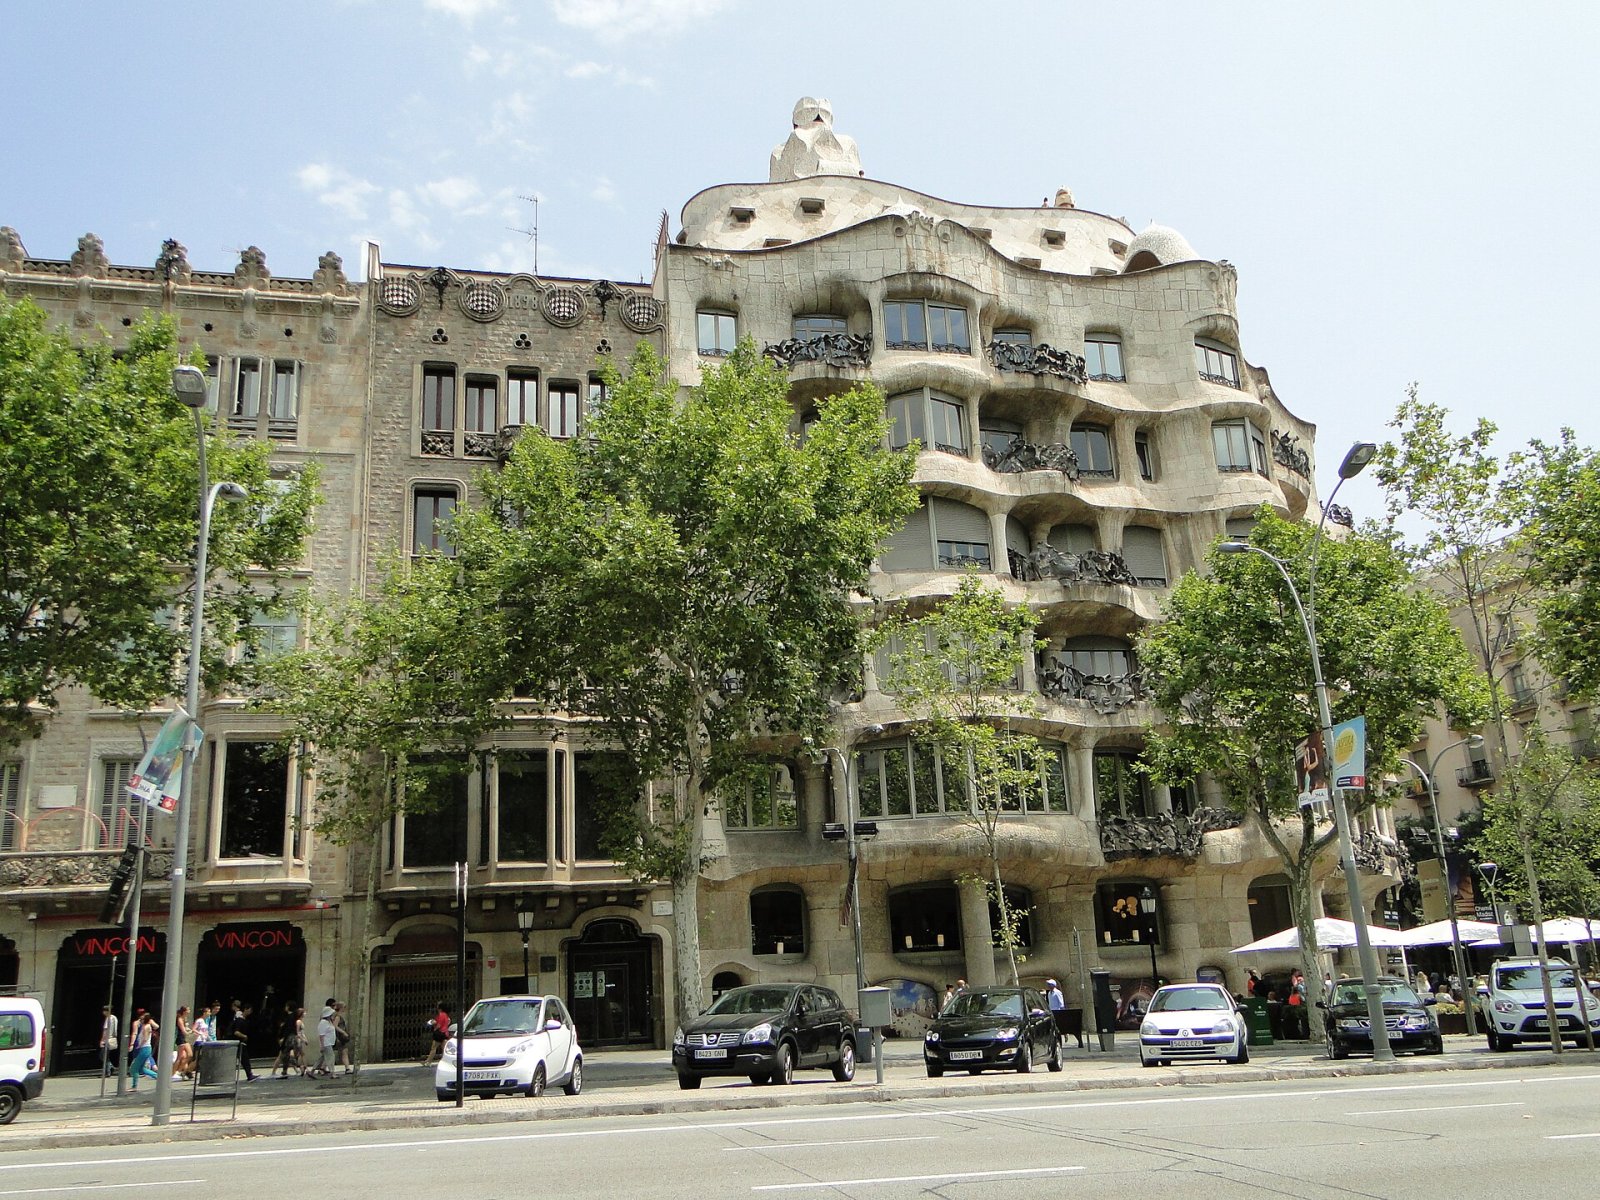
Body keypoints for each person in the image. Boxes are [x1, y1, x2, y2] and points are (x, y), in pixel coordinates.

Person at [127, 1012, 160, 1088]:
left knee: (134, 1068)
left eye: (142, 1019)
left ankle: (134, 1087)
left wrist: (139, 1045)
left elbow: (145, 1038)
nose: (140, 1020)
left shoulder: (146, 1027)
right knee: (141, 1069)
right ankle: (158, 1077)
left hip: (144, 1048)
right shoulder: (145, 1026)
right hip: (145, 1048)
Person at [231, 1002, 257, 1081]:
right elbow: (236, 1032)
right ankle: (249, 1075)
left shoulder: (245, 1020)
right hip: (239, 1043)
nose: (250, 1012)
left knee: (244, 1059)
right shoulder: (239, 1020)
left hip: (242, 1043)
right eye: (249, 1010)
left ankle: (249, 1074)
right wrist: (244, 1036)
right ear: (245, 1009)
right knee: (244, 1059)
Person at [315, 1000, 337, 1076]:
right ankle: (333, 1073)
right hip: (326, 1043)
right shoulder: (323, 1022)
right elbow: (321, 1035)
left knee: (323, 1058)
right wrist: (322, 1045)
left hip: (329, 1042)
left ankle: (312, 1070)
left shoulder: (329, 1022)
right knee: (331, 1057)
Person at [173, 1005, 194, 1080]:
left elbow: (186, 1028)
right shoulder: (179, 1019)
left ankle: (180, 1071)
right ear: (184, 1011)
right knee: (180, 1056)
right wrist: (190, 1033)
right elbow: (183, 1031)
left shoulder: (184, 1018)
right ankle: (175, 1072)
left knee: (188, 1055)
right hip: (181, 1038)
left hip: (184, 1038)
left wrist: (190, 1030)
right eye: (188, 1010)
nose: (189, 1011)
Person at [333, 1001, 353, 1073]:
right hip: (339, 1037)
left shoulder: (337, 1016)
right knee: (344, 1051)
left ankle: (322, 1067)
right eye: (344, 1007)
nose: (345, 1009)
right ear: (341, 1008)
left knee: (342, 1051)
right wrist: (343, 1032)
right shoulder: (338, 1016)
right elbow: (335, 1026)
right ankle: (347, 1068)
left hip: (338, 1037)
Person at [99, 1006, 119, 1078]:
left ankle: (109, 1070)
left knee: (103, 1056)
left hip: (107, 1039)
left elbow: (105, 1030)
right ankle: (110, 1067)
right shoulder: (114, 1018)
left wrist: (102, 1040)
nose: (103, 1012)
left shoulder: (108, 1018)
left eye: (104, 1011)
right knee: (105, 1055)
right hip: (112, 1038)